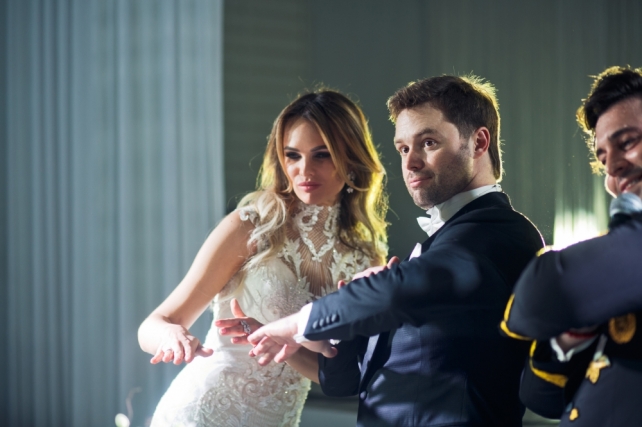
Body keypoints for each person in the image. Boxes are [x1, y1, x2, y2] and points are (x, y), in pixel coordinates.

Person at [245, 75, 545, 426]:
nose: (410, 162)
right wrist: (328, 337)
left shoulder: (498, 232)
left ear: (478, 142)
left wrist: (301, 322)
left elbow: (402, 288)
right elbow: (346, 381)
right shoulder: (442, 243)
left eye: (428, 143)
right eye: (403, 148)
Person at [137, 90, 389, 427]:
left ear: (352, 160)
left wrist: (280, 339)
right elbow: (155, 323)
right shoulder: (250, 226)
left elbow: (337, 373)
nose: (304, 170)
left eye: (322, 155)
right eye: (292, 155)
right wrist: (171, 337)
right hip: (203, 413)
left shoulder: (365, 257)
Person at [501, 66, 642, 426]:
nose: (614, 169)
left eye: (627, 142)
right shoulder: (614, 268)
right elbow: (539, 397)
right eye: (603, 158)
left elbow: (536, 294)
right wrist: (571, 338)